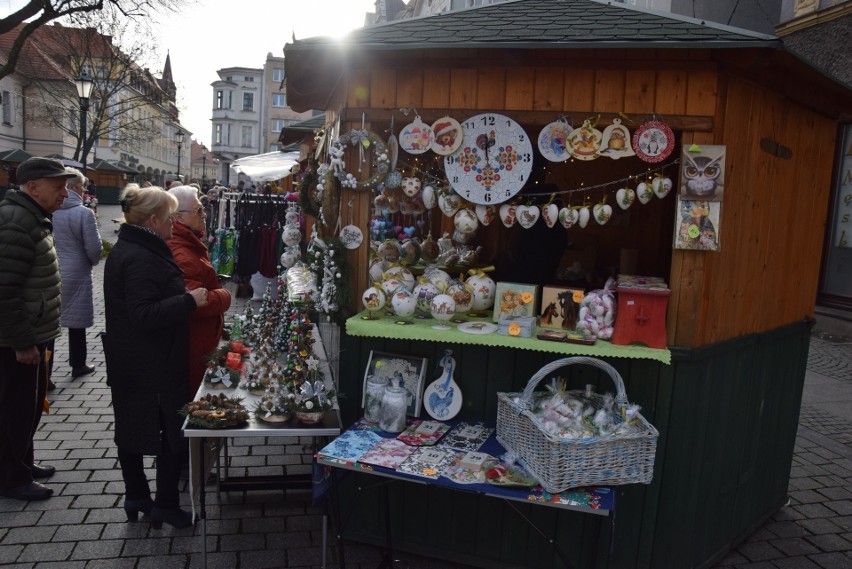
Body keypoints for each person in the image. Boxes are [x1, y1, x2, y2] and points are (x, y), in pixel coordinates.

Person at [103, 185, 208, 528]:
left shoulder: (133, 246)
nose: (173, 225)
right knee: (169, 430)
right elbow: (143, 314)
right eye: (168, 219)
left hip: (134, 358)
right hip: (152, 360)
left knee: (132, 427)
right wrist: (189, 301)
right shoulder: (141, 256)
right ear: (152, 221)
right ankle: (164, 503)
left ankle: (137, 495)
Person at [0, 156, 76, 501]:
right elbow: (5, 289)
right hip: (16, 339)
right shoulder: (16, 221)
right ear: (33, 187)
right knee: (15, 408)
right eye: (58, 187)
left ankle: (22, 463)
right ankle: (11, 476)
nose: (65, 193)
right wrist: (22, 341)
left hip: (32, 331)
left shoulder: (32, 216)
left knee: (29, 406)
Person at [167, 185, 232, 399]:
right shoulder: (183, 253)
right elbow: (196, 303)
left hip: (199, 337)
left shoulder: (188, 242)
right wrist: (224, 295)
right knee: (195, 396)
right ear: (178, 216)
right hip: (194, 340)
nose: (204, 214)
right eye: (198, 210)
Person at [52, 167, 102, 379]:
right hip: (78, 271)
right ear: (72, 187)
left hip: (52, 269)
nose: (84, 189)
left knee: (50, 322)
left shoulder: (49, 210)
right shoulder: (84, 213)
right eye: (82, 185)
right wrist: (92, 261)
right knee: (77, 321)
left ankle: (45, 375)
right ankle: (78, 364)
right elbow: (93, 248)